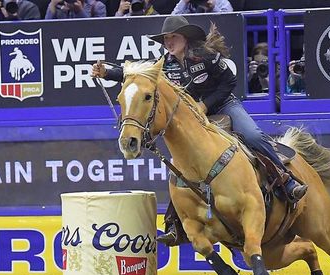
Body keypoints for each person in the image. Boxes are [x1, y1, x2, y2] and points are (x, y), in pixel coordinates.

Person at [92, 16, 307, 245]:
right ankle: (175, 223)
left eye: (173, 37)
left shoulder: (206, 56)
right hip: (193, 116)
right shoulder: (165, 63)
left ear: (185, 38)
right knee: (182, 164)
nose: (168, 42)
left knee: (253, 135)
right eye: (165, 38)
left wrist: (205, 104)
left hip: (224, 105)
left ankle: (287, 180)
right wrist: (106, 71)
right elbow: (138, 76)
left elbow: (229, 82)